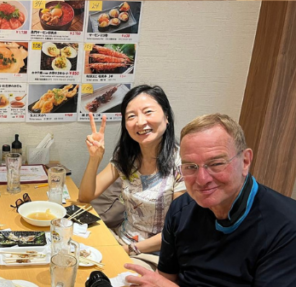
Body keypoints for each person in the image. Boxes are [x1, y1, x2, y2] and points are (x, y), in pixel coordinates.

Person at [124, 113, 296, 286]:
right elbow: (165, 277)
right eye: (191, 166)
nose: (202, 179)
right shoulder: (181, 210)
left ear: (245, 161)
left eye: (216, 164)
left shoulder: (286, 227)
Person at [77, 85, 185, 258]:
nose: (140, 122)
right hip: (121, 240)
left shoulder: (182, 162)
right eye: (131, 116)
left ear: (166, 117)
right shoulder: (127, 156)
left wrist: (128, 251)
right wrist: (94, 158)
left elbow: (178, 229)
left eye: (148, 112)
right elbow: (86, 196)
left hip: (156, 254)